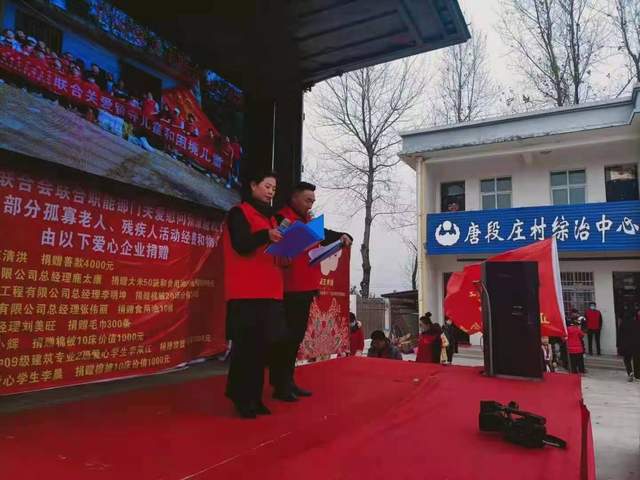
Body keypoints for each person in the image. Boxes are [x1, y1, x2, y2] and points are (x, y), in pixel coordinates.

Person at [269, 181, 352, 401]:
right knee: (286, 338)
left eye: (313, 201)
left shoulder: (308, 222)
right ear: (294, 197)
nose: (310, 205)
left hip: (306, 287)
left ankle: (288, 381)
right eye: (307, 200)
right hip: (288, 288)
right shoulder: (282, 218)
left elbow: (325, 234)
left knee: (296, 337)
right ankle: (280, 384)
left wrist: (343, 236)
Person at [223, 170, 286, 419]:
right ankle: (241, 398)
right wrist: (264, 236)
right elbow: (241, 244)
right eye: (267, 186)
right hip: (247, 292)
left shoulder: (272, 219)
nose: (271, 192)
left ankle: (255, 397)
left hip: (270, 291)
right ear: (253, 185)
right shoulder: (239, 213)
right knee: (246, 348)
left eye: (274, 188)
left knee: (262, 349)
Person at [619, 303, 640, 382]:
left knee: (627, 359)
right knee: (636, 360)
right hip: (636, 345)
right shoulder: (637, 323)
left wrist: (619, 345)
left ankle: (630, 372)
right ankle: (637, 375)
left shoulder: (622, 324)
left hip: (625, 345)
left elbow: (620, 336)